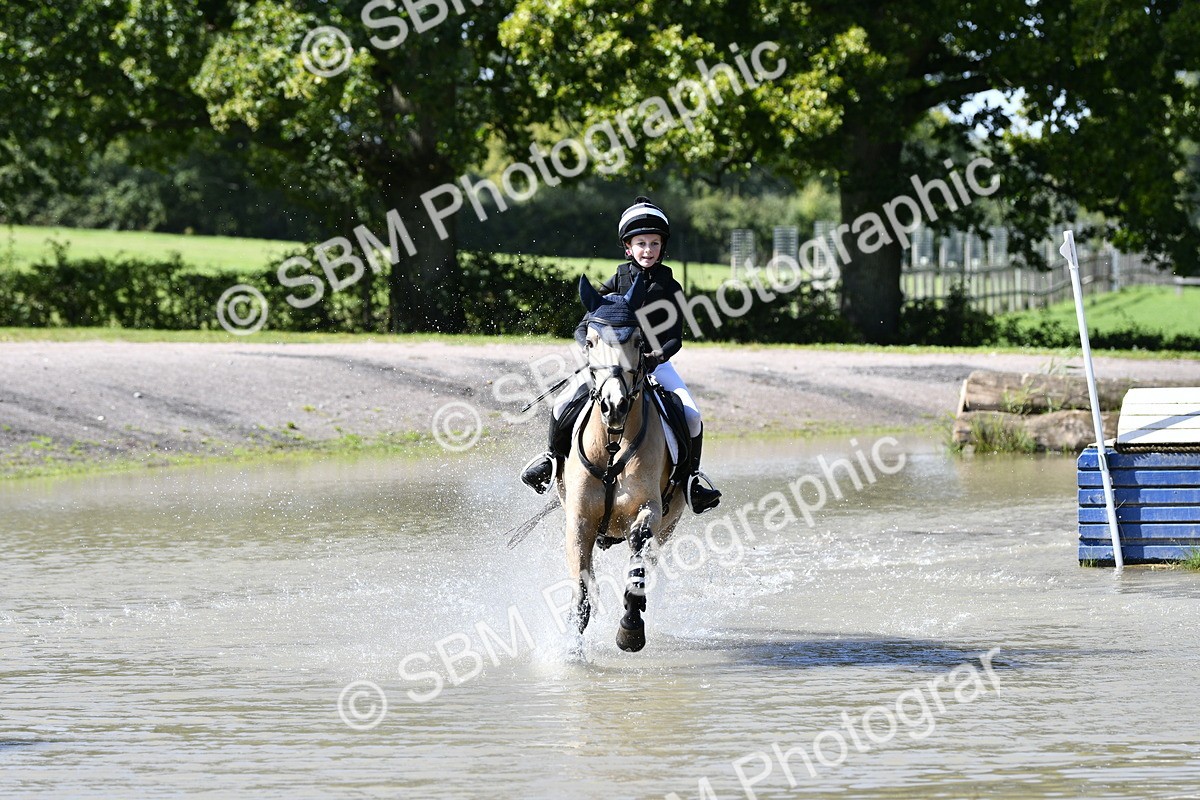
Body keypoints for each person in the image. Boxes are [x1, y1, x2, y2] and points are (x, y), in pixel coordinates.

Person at [519, 196, 722, 514]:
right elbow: (584, 326)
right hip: (612, 366)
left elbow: (675, 340)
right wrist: (592, 352)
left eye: (654, 243)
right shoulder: (617, 281)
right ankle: (551, 459)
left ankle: (691, 480)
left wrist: (654, 358)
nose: (648, 250)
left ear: (662, 247)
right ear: (628, 247)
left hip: (655, 366)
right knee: (562, 402)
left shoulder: (671, 287)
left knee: (692, 414)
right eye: (641, 244)